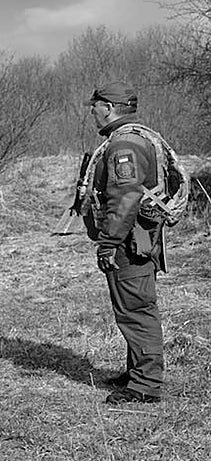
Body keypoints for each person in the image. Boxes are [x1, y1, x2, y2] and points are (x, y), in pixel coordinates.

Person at [83, 82, 172, 404]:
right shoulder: (133, 138)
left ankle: (145, 386)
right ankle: (137, 371)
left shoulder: (124, 146)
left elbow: (125, 196)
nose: (91, 111)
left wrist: (108, 242)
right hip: (134, 239)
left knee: (136, 310)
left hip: (129, 243)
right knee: (131, 308)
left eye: (94, 106)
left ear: (107, 106)